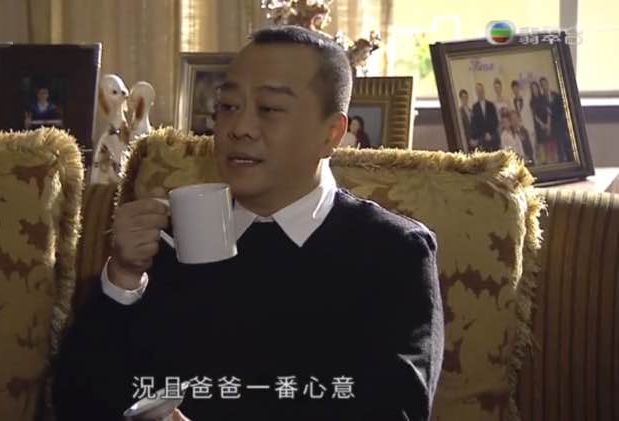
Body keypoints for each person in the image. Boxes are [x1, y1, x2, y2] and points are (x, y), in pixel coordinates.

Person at [53, 25, 443, 421]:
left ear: (332, 134)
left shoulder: (391, 253)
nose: (238, 128)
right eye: (228, 106)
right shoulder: (167, 238)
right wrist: (122, 279)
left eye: (269, 109)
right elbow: (76, 404)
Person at [540, 77, 573, 162]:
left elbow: (562, 109)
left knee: (563, 144)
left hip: (560, 125)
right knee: (555, 148)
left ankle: (566, 160)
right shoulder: (541, 99)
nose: (544, 87)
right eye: (542, 85)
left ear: (548, 84)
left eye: (545, 84)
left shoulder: (556, 95)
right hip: (550, 127)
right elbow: (543, 114)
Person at [529, 81, 556, 164]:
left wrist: (548, 124)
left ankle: (552, 160)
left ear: (538, 88)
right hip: (539, 126)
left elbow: (549, 111)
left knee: (550, 143)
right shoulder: (532, 101)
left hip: (548, 123)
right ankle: (545, 161)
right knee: (542, 145)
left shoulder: (543, 98)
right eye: (533, 89)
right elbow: (535, 116)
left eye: (535, 88)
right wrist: (542, 124)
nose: (535, 90)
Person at [510, 80, 537, 163]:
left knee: (533, 150)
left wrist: (533, 128)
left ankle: (534, 163)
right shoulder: (512, 102)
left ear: (518, 88)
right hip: (520, 129)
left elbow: (532, 113)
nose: (515, 90)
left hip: (529, 128)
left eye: (516, 88)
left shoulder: (526, 99)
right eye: (513, 89)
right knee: (523, 148)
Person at [470, 82, 500, 151]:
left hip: (493, 137)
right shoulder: (474, 107)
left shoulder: (491, 105)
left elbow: (495, 121)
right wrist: (484, 135)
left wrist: (490, 133)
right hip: (482, 140)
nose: (480, 92)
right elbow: (474, 125)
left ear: (483, 91)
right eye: (478, 91)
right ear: (476, 92)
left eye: (481, 90)